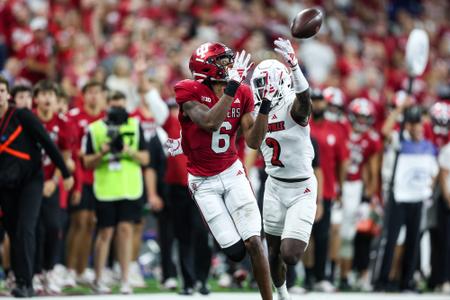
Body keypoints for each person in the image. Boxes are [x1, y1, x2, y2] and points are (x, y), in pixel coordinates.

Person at [173, 42, 273, 299]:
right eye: (223, 62)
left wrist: (266, 106)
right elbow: (209, 121)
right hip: (202, 181)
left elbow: (252, 142)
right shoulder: (188, 90)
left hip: (232, 171)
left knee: (254, 240)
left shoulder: (243, 91)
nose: (230, 66)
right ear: (206, 67)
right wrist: (231, 88)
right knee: (236, 251)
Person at [248, 38, 316, 300]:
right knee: (273, 253)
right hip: (274, 186)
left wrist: (295, 66)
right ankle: (283, 295)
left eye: (267, 83)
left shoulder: (293, 106)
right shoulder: (257, 110)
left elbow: (304, 102)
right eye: (259, 84)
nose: (263, 89)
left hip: (301, 187)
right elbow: (252, 142)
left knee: (290, 254)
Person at [0, 76, 73, 297]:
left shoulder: (21, 115)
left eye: (1, 91)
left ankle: (27, 282)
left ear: (7, 95)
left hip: (31, 180)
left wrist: (66, 173)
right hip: (5, 185)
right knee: (13, 232)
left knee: (25, 228)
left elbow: (48, 143)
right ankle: (20, 278)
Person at [82, 90, 149, 294]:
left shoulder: (135, 125)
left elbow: (146, 159)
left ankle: (125, 279)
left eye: (121, 104)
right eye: (114, 104)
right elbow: (86, 163)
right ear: (107, 104)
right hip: (106, 188)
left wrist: (127, 150)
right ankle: (99, 278)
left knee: (126, 232)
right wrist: (103, 151)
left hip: (129, 187)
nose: (117, 108)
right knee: (105, 232)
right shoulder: (94, 129)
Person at [377, 105, 439, 292]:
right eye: (412, 124)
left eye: (418, 124)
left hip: (417, 199)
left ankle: (407, 282)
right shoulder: (399, 141)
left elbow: (434, 171)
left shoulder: (428, 146)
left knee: (413, 241)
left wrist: (429, 186)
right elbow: (385, 131)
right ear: (407, 126)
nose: (416, 128)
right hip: (399, 198)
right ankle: (382, 280)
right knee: (391, 240)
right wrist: (400, 110)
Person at [164, 100, 212, 295]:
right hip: (179, 187)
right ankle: (188, 281)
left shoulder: (205, 123)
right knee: (183, 235)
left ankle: (202, 279)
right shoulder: (171, 122)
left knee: (202, 233)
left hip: (202, 185)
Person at [32, 80, 73, 295]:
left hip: (51, 182)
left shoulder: (63, 123)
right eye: (43, 94)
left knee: (54, 226)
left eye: (51, 94)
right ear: (36, 98)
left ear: (57, 100)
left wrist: (54, 181)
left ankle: (50, 270)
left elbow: (65, 157)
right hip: (29, 182)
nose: (47, 98)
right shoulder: (28, 119)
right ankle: (35, 273)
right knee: (33, 229)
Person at [307, 88, 349, 292]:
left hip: (328, 189)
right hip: (305, 189)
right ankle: (307, 277)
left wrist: (340, 187)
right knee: (306, 236)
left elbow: (343, 161)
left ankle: (322, 276)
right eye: (313, 100)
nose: (318, 104)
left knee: (324, 235)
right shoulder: (304, 126)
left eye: (320, 100)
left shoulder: (336, 129)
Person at [338, 98, 382, 291]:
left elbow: (373, 170)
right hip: (340, 187)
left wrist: (369, 196)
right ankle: (340, 273)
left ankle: (356, 274)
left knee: (358, 233)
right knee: (341, 232)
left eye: (366, 118)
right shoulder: (342, 131)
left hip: (356, 187)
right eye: (360, 117)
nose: (362, 122)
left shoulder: (371, 139)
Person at [66, 80, 106, 285]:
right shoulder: (75, 117)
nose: (93, 96)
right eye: (89, 92)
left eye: (97, 92)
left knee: (91, 223)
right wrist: (78, 184)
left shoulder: (106, 118)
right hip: (82, 178)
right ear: (83, 95)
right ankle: (69, 269)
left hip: (102, 179)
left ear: (102, 95)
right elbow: (74, 153)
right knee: (79, 222)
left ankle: (82, 270)